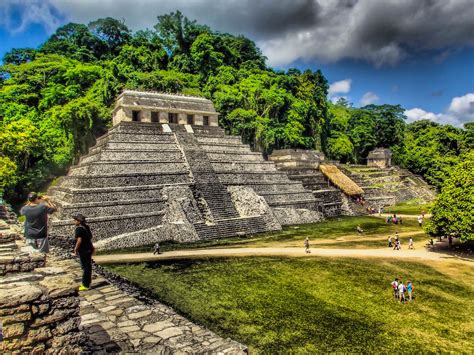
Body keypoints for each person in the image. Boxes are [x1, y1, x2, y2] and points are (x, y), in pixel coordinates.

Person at [72, 214, 95, 291]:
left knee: (85, 267)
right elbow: (90, 237)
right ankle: (88, 283)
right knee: (88, 266)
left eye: (75, 220)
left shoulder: (79, 229)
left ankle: (85, 285)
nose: (74, 222)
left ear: (79, 221)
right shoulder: (86, 227)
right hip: (89, 248)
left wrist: (75, 249)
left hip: (83, 250)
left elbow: (79, 240)